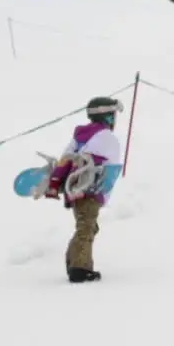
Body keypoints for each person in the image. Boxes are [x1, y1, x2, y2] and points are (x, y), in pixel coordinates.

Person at [43, 96, 124, 282]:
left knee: (88, 226)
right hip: (90, 189)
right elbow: (95, 162)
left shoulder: (79, 137)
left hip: (76, 189)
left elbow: (65, 160)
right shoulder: (104, 137)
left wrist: (56, 182)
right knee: (86, 227)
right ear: (108, 117)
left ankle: (74, 262)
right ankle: (79, 269)